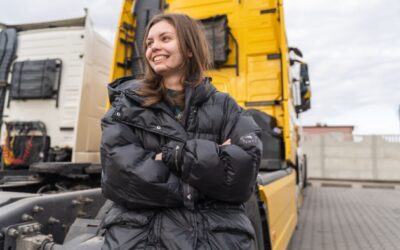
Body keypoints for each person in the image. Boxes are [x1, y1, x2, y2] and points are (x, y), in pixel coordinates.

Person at [100, 13, 262, 250]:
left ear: (189, 48)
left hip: (215, 239)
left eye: (165, 39)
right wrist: (211, 163)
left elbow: (242, 176)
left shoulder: (226, 106)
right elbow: (121, 177)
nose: (155, 47)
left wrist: (173, 155)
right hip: (141, 239)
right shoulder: (125, 105)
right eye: (149, 43)